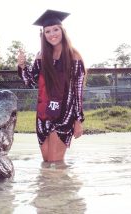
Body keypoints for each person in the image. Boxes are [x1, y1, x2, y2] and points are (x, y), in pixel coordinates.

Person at [17, 9, 86, 162]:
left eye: (56, 29)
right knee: (47, 163)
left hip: (64, 115)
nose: (52, 34)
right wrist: (22, 66)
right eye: (47, 31)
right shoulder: (41, 56)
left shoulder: (74, 57)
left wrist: (78, 120)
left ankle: (61, 186)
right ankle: (51, 188)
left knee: (56, 163)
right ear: (43, 34)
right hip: (43, 116)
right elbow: (30, 81)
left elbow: (78, 91)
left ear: (62, 30)